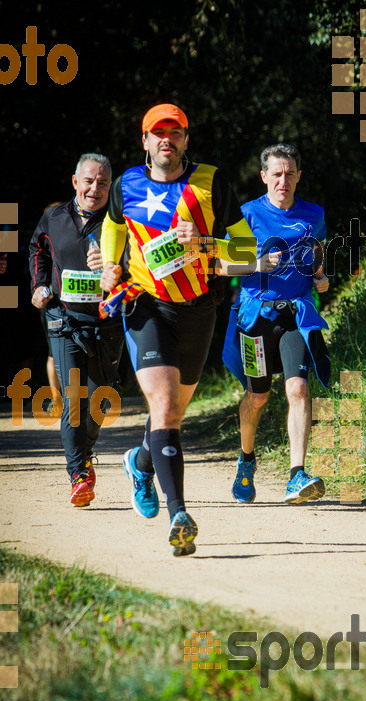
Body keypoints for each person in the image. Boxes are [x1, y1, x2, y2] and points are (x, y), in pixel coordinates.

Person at [99, 103, 260, 557]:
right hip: (144, 303)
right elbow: (112, 226)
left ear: (186, 140)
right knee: (166, 407)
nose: (166, 138)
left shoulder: (212, 183)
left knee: (171, 415)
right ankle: (179, 515)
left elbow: (246, 255)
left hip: (198, 310)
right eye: (157, 132)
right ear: (145, 141)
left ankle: (140, 461)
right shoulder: (127, 184)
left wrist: (204, 242)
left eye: (175, 131)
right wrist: (111, 267)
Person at [222, 143, 330, 505]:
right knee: (258, 395)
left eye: (290, 173)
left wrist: (320, 275)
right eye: (276, 173)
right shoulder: (247, 216)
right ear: (264, 176)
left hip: (296, 316)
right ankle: (247, 460)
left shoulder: (313, 213)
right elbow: (222, 266)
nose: (283, 180)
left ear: (299, 176)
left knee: (298, 388)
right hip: (256, 318)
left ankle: (296, 474)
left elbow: (316, 249)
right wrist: (257, 264)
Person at [29, 153, 123, 507]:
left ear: (109, 186)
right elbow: (36, 249)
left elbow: (139, 266)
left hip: (107, 322)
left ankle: (84, 452)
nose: (94, 189)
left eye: (102, 183)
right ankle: (79, 475)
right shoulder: (53, 218)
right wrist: (39, 285)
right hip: (63, 319)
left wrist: (114, 267)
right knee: (74, 398)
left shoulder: (121, 224)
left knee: (101, 399)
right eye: (88, 181)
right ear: (75, 182)